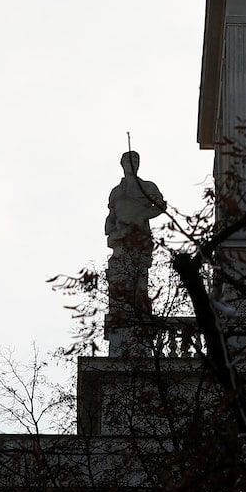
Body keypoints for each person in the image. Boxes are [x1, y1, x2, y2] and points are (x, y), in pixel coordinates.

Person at [105, 150, 166, 354]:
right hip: (121, 239)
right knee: (119, 277)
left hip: (139, 239)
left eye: (136, 159)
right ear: (121, 163)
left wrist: (140, 216)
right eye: (129, 159)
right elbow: (111, 217)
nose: (132, 163)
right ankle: (122, 313)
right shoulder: (116, 191)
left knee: (139, 279)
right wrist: (113, 230)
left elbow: (160, 206)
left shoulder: (147, 186)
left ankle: (138, 315)